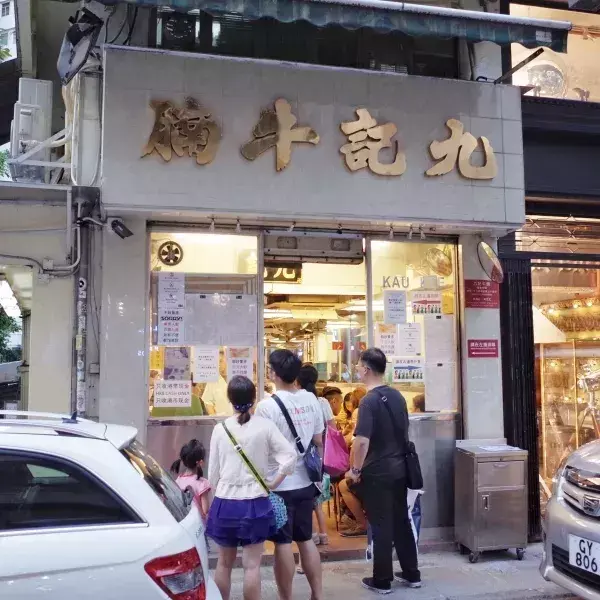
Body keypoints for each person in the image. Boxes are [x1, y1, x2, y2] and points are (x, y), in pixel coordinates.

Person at [206, 376, 297, 600]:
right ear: (254, 399)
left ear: (230, 399)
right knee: (252, 566)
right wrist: (273, 483)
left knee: (223, 564)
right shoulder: (265, 427)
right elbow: (290, 457)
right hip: (255, 503)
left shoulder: (220, 429)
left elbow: (212, 475)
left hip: (225, 503)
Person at [346, 347, 421, 595]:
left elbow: (362, 441)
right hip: (400, 468)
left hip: (378, 472)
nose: (357, 368)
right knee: (401, 521)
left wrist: (354, 470)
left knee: (380, 524)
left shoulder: (368, 401)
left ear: (366, 370)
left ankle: (382, 579)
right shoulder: (398, 396)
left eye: (358, 365)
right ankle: (412, 574)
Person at [255, 350, 324, 600]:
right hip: (306, 482)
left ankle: (287, 597)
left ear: (273, 373)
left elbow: (262, 448)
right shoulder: (311, 400)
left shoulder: (266, 407)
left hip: (279, 484)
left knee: (283, 543)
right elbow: (318, 440)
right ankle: (317, 594)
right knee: (305, 539)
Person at [297, 364, 331, 547]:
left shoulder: (300, 402)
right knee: (318, 497)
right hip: (321, 455)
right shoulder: (323, 403)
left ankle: (311, 535)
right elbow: (332, 429)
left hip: (304, 454)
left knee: (307, 497)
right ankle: (324, 533)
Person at [171, 439, 211, 519]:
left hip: (183, 521)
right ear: (201, 462)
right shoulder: (202, 483)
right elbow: (205, 510)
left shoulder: (177, 481)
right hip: (198, 525)